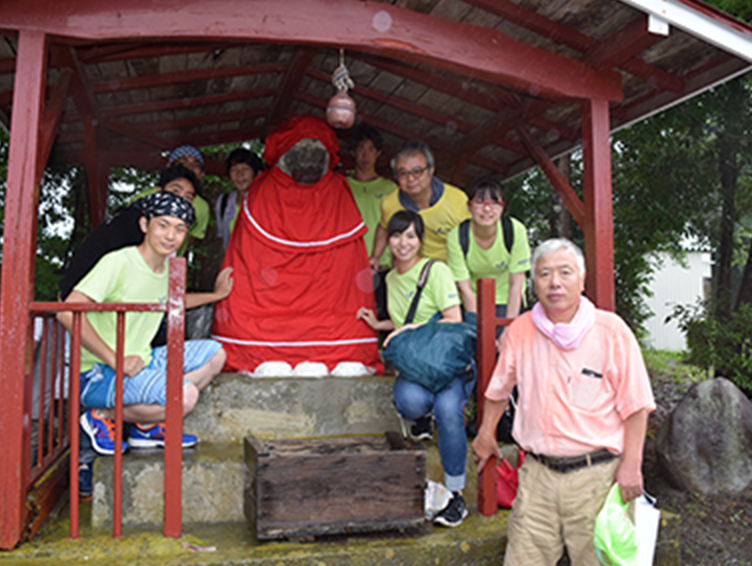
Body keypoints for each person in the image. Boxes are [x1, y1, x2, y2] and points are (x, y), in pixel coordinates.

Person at [471, 238, 655, 565]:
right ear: (533, 284)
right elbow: (498, 389)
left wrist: (632, 465)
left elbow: (637, 405)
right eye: (544, 274)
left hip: (596, 478)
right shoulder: (520, 330)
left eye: (564, 272)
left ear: (582, 280)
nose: (554, 282)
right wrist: (486, 434)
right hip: (537, 476)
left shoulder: (612, 331)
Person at [57, 191, 234, 459]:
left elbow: (175, 301)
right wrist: (117, 360)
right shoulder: (119, 262)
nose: (170, 236)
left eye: (179, 228)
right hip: (98, 372)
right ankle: (100, 415)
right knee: (184, 397)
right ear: (144, 225)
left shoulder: (167, 270)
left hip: (141, 362)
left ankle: (146, 425)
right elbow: (68, 312)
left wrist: (216, 296)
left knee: (215, 354)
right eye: (162, 225)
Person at [357, 210, 472, 528]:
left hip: (445, 363)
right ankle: (423, 416)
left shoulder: (436, 270)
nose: (403, 243)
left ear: (420, 240)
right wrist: (378, 323)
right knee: (407, 402)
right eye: (396, 235)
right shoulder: (391, 278)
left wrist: (406, 331)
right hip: (418, 365)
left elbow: (453, 319)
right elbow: (402, 319)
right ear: (388, 240)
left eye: (410, 236)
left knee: (449, 411)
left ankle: (456, 495)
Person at [59, 165, 201, 300]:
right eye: (175, 191)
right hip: (84, 303)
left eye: (188, 197)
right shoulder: (129, 228)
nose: (179, 200)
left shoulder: (159, 240)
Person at [446, 176, 530, 344]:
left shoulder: (514, 230)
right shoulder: (457, 236)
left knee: (510, 350)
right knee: (478, 351)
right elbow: (465, 288)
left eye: (494, 203)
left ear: (502, 207)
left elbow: (516, 284)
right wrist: (482, 329)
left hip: (508, 302)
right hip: (474, 303)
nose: (487, 209)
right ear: (469, 207)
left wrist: (508, 327)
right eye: (479, 202)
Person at [369, 141, 469, 267]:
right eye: (403, 173)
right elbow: (383, 227)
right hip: (410, 273)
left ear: (431, 170)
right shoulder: (390, 203)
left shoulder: (457, 200)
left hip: (451, 272)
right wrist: (376, 257)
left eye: (417, 172)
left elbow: (472, 239)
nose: (410, 179)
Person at [129, 144, 211, 256]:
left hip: (171, 262)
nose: (188, 167)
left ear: (201, 175)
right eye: (182, 162)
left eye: (195, 165)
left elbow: (191, 238)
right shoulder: (141, 199)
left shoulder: (202, 207)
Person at [346, 124, 397, 266]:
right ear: (352, 152)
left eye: (371, 149)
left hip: (381, 263)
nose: (366, 155)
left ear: (378, 153)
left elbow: (396, 226)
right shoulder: (342, 186)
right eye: (361, 149)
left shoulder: (390, 188)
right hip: (348, 262)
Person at [216, 148, 265, 252]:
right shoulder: (223, 202)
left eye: (245, 169)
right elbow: (223, 242)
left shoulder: (267, 202)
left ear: (257, 173)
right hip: (234, 266)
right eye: (234, 170)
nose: (240, 174)